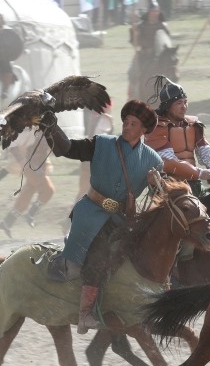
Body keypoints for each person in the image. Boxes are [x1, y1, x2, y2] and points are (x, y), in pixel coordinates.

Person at [42, 100, 163, 334]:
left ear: (144, 130)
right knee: (99, 255)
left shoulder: (154, 161)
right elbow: (66, 148)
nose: (126, 126)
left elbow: (159, 197)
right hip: (91, 214)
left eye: (133, 123)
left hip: (121, 221)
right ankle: (85, 314)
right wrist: (50, 126)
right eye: (126, 121)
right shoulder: (102, 144)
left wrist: (155, 184)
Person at [145, 77, 210, 197]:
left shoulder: (193, 124)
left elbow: (206, 150)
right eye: (179, 103)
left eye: (185, 102)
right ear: (167, 106)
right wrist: (201, 173)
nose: (184, 106)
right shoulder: (157, 127)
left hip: (194, 183)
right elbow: (170, 162)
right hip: (168, 185)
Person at [0, 129, 55, 237]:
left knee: (29, 190)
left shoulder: (40, 122)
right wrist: (23, 162)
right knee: (48, 191)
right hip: (30, 164)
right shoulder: (23, 125)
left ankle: (7, 222)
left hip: (39, 162)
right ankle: (31, 213)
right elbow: (13, 146)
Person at [128, 0, 170, 97]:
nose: (154, 13)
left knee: (171, 71)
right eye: (152, 11)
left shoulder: (162, 26)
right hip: (144, 55)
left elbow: (167, 42)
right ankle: (134, 95)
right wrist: (135, 32)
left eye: (156, 11)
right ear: (149, 12)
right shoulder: (141, 26)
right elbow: (135, 44)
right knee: (132, 72)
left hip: (159, 57)